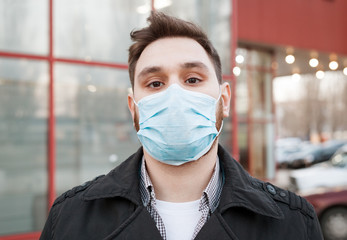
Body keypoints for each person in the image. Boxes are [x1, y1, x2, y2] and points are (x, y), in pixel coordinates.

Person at [40, 12, 323, 240]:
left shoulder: (293, 223)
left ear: (223, 99)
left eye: (192, 80)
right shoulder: (69, 219)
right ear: (133, 106)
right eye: (155, 83)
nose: (174, 95)